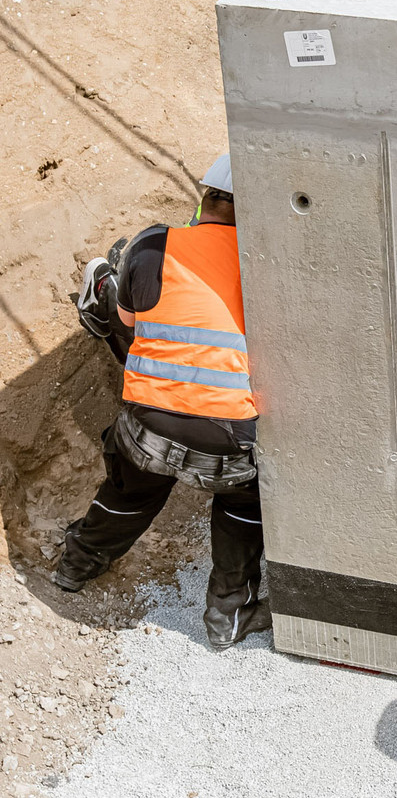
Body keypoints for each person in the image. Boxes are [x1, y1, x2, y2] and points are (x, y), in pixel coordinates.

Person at [55, 155, 270, 652]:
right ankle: (227, 617)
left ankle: (75, 568)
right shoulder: (270, 264)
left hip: (146, 426)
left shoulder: (154, 242)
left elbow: (128, 328)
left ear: (206, 198)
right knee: (243, 503)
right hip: (228, 442)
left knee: (131, 490)